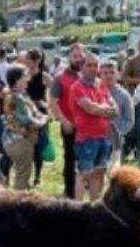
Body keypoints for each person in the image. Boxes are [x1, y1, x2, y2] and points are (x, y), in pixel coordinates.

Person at [69, 52, 117, 201]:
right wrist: (105, 109)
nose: (92, 68)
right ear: (82, 67)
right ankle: (77, 208)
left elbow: (115, 108)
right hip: (86, 138)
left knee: (99, 173)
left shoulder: (101, 84)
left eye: (95, 65)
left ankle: (94, 205)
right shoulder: (77, 87)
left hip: (104, 137)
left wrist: (102, 108)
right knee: (84, 173)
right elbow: (90, 108)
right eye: (88, 65)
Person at [49, 43, 86, 198]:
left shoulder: (87, 76)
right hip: (70, 126)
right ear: (69, 57)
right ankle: (69, 193)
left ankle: (83, 191)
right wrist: (63, 121)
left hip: (87, 128)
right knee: (70, 160)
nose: (77, 59)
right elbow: (52, 101)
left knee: (86, 160)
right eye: (74, 56)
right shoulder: (60, 78)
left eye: (80, 56)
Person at [2, 65, 47, 190]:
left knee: (23, 172)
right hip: (19, 140)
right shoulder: (16, 98)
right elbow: (27, 120)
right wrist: (43, 120)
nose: (27, 79)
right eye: (24, 77)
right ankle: (19, 204)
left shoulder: (19, 96)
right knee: (22, 175)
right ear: (17, 80)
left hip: (18, 140)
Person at [22, 48, 52, 184]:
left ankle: (38, 174)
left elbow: (54, 93)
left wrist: (48, 105)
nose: (27, 61)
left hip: (40, 112)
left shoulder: (44, 76)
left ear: (37, 60)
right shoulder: (23, 75)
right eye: (27, 59)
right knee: (27, 143)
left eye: (29, 59)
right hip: (26, 111)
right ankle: (27, 174)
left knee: (39, 144)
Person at [101, 60, 134, 166]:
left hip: (116, 143)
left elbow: (130, 120)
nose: (109, 76)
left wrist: (118, 132)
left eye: (112, 72)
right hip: (96, 141)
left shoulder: (124, 95)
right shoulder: (94, 91)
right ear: (100, 74)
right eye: (105, 73)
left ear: (118, 74)